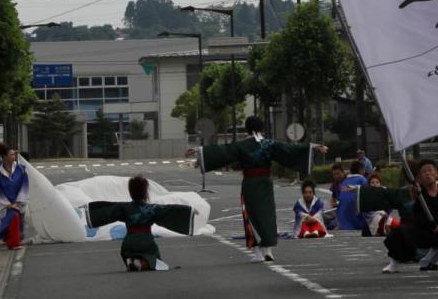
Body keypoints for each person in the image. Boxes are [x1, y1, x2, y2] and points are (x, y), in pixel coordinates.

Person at [188, 116, 328, 263]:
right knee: (267, 216)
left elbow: (223, 151)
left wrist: (199, 151)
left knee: (252, 217)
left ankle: (259, 253)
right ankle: (269, 251)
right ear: (262, 128)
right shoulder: (269, 144)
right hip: (266, 184)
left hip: (250, 184)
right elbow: (289, 149)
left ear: (247, 128)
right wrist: (312, 147)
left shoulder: (242, 146)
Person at [86, 174, 195, 271]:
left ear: (130, 191)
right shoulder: (152, 208)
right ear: (145, 192)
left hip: (128, 244)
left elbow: (107, 208)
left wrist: (89, 208)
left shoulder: (123, 207)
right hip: (146, 242)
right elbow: (170, 209)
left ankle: (133, 261)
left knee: (130, 254)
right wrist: (190, 211)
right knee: (156, 261)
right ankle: (142, 264)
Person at [0, 143, 28, 250]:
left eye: (14, 155)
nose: (14, 157)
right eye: (11, 155)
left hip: (18, 201)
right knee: (13, 217)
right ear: (4, 157)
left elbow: (24, 186)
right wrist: (7, 204)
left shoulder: (21, 169)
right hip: (6, 204)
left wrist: (18, 202)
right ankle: (13, 243)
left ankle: (11, 240)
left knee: (17, 220)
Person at [335, 161, 368, 230]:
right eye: (364, 169)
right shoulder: (362, 179)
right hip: (356, 219)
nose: (365, 172)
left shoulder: (344, 181)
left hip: (342, 219)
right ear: (360, 170)